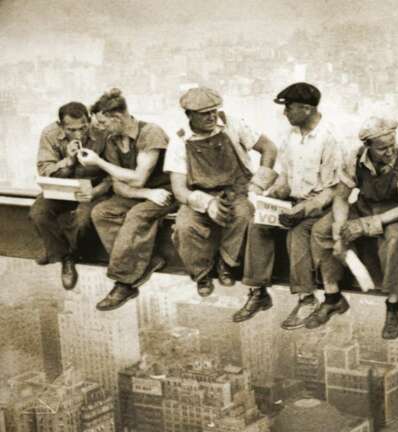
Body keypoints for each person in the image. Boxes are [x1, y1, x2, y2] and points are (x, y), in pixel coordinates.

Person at [233, 82, 344, 329]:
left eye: (289, 108)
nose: (286, 114)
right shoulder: (291, 137)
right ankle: (258, 291)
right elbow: (286, 177)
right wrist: (271, 195)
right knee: (258, 224)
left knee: (298, 232)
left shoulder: (330, 138)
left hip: (319, 207)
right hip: (294, 202)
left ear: (306, 109)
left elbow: (332, 191)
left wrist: (303, 209)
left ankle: (306, 298)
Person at [310, 116, 398, 339]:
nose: (389, 152)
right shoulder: (354, 157)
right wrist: (339, 228)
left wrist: (366, 225)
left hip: (392, 212)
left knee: (394, 240)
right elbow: (341, 197)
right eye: (382, 149)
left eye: (392, 145)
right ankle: (332, 296)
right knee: (322, 230)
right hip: (364, 205)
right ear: (367, 146)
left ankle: (393, 304)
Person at [166, 87, 277, 298]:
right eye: (204, 113)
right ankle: (202, 274)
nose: (211, 117)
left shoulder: (232, 124)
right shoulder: (179, 140)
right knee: (184, 226)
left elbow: (269, 148)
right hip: (199, 195)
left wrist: (257, 185)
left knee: (243, 215)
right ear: (189, 115)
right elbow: (179, 189)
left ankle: (227, 264)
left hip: (236, 190)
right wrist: (207, 204)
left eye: (213, 111)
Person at [78, 89, 176, 311]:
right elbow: (118, 184)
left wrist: (99, 163)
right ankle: (147, 260)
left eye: (103, 123)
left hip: (166, 192)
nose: (101, 128)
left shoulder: (151, 133)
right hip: (146, 194)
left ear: (118, 117)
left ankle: (124, 282)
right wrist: (145, 194)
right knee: (101, 213)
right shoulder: (113, 140)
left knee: (137, 216)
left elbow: (139, 177)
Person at [31, 101, 111, 290]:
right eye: (71, 130)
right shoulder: (50, 134)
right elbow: (44, 170)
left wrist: (95, 192)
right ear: (61, 126)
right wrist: (68, 161)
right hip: (61, 187)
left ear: (89, 121)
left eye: (83, 128)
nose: (79, 134)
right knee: (38, 213)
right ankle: (64, 256)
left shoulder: (103, 133)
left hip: (92, 188)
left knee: (83, 221)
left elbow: (111, 174)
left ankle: (61, 252)